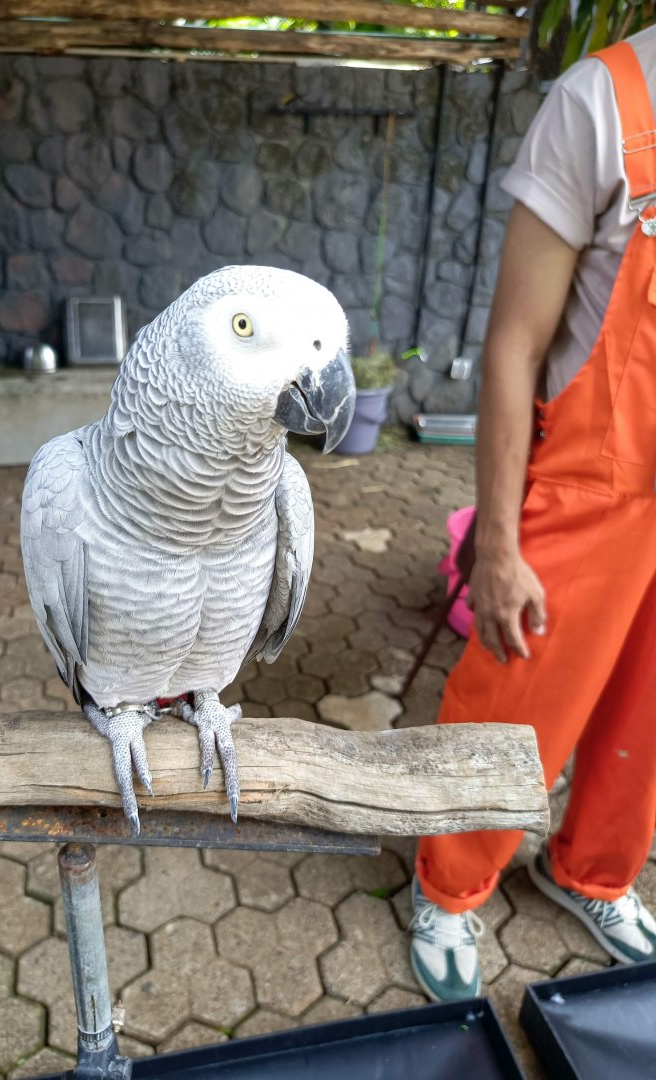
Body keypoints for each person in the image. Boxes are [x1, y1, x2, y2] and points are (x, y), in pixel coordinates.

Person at [408, 31, 656, 1003]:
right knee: (520, 695)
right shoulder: (604, 103)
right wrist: (498, 548)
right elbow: (513, 344)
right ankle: (450, 885)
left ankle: (594, 870)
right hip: (590, 480)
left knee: (647, 714)